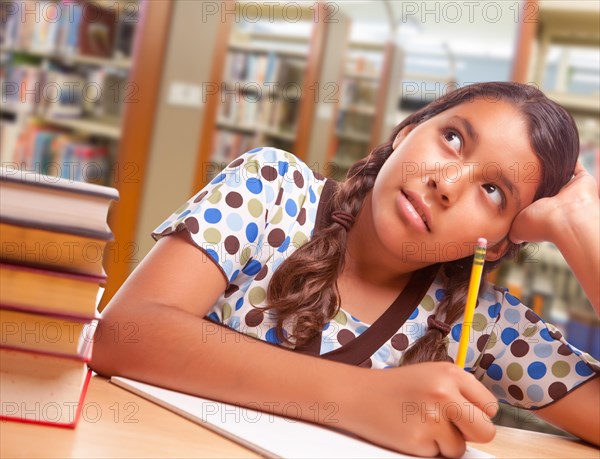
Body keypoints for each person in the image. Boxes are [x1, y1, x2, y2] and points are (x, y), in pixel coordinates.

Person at [90, 82, 599, 458]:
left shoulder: (481, 319)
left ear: (507, 238)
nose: (447, 183)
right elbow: (124, 334)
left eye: (493, 191)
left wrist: (580, 229)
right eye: (452, 138)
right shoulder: (272, 190)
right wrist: (361, 400)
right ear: (406, 132)